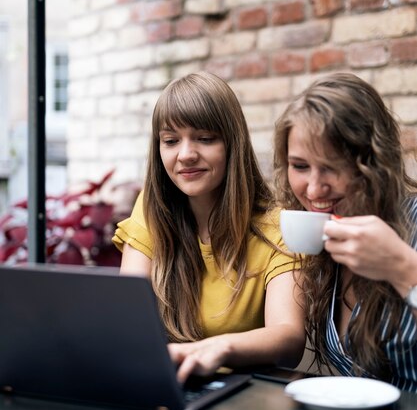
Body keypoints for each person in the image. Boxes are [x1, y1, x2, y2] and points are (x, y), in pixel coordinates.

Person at [113, 71, 305, 383]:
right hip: (167, 387)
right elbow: (127, 319)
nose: (186, 155)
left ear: (233, 144)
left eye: (205, 138)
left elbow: (289, 339)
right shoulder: (151, 209)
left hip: (245, 400)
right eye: (171, 141)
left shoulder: (277, 227)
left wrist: (218, 349)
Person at [274, 72, 417, 391]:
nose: (313, 188)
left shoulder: (413, 223)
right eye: (299, 166)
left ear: (373, 162)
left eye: (332, 166)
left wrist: (402, 268)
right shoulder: (326, 243)